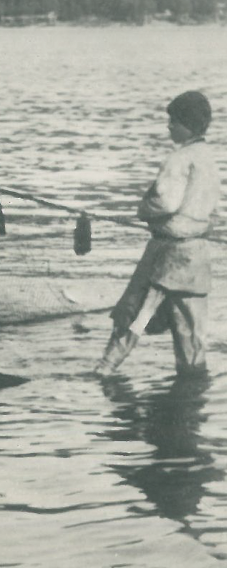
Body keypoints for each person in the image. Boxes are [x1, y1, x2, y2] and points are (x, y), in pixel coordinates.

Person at [96, 90, 221, 376]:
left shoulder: (178, 159)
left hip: (166, 255)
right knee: (191, 335)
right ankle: (192, 391)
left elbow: (165, 201)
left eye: (173, 121)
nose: (169, 126)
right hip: (197, 257)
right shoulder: (208, 157)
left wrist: (143, 209)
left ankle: (104, 371)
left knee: (133, 315)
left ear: (187, 124)